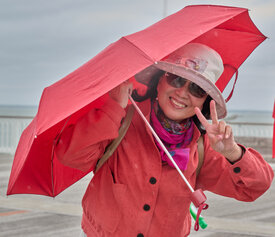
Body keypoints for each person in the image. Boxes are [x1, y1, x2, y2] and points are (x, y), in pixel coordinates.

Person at [55, 43, 274, 237]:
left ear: (204, 102)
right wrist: (113, 108)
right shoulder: (121, 120)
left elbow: (254, 188)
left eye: (197, 89)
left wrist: (233, 152)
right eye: (176, 78)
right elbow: (70, 154)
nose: (182, 92)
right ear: (159, 81)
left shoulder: (202, 145)